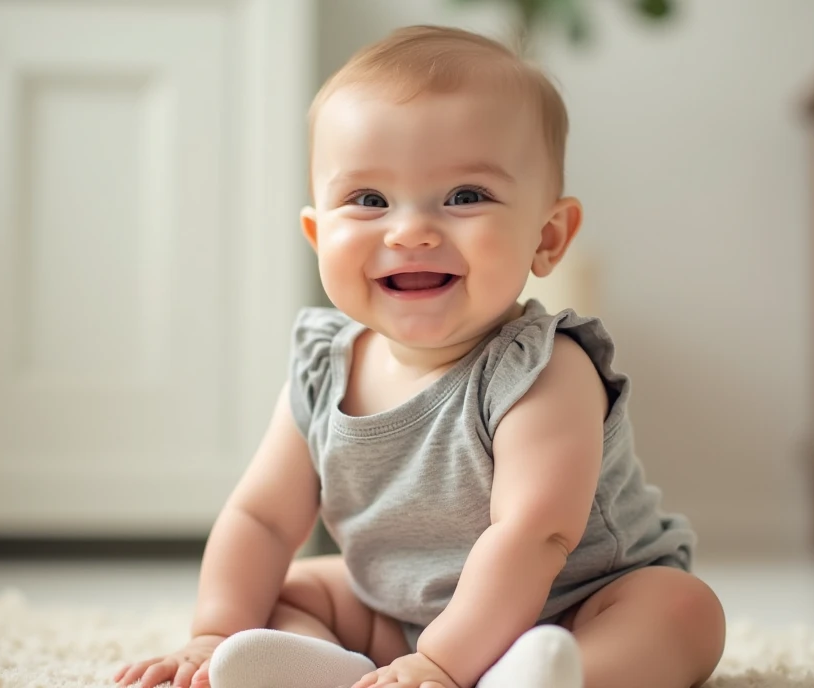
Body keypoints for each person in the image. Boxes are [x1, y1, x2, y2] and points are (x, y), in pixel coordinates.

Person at [114, 24, 726, 688]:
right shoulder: (326, 369)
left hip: (575, 604)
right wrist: (215, 632)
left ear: (547, 238)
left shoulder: (541, 369)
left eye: (465, 197)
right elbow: (260, 518)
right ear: (319, 237)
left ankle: (551, 677)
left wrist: (440, 664)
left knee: (682, 611)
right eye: (368, 200)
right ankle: (324, 669)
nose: (410, 231)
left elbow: (535, 535)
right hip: (397, 613)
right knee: (285, 591)